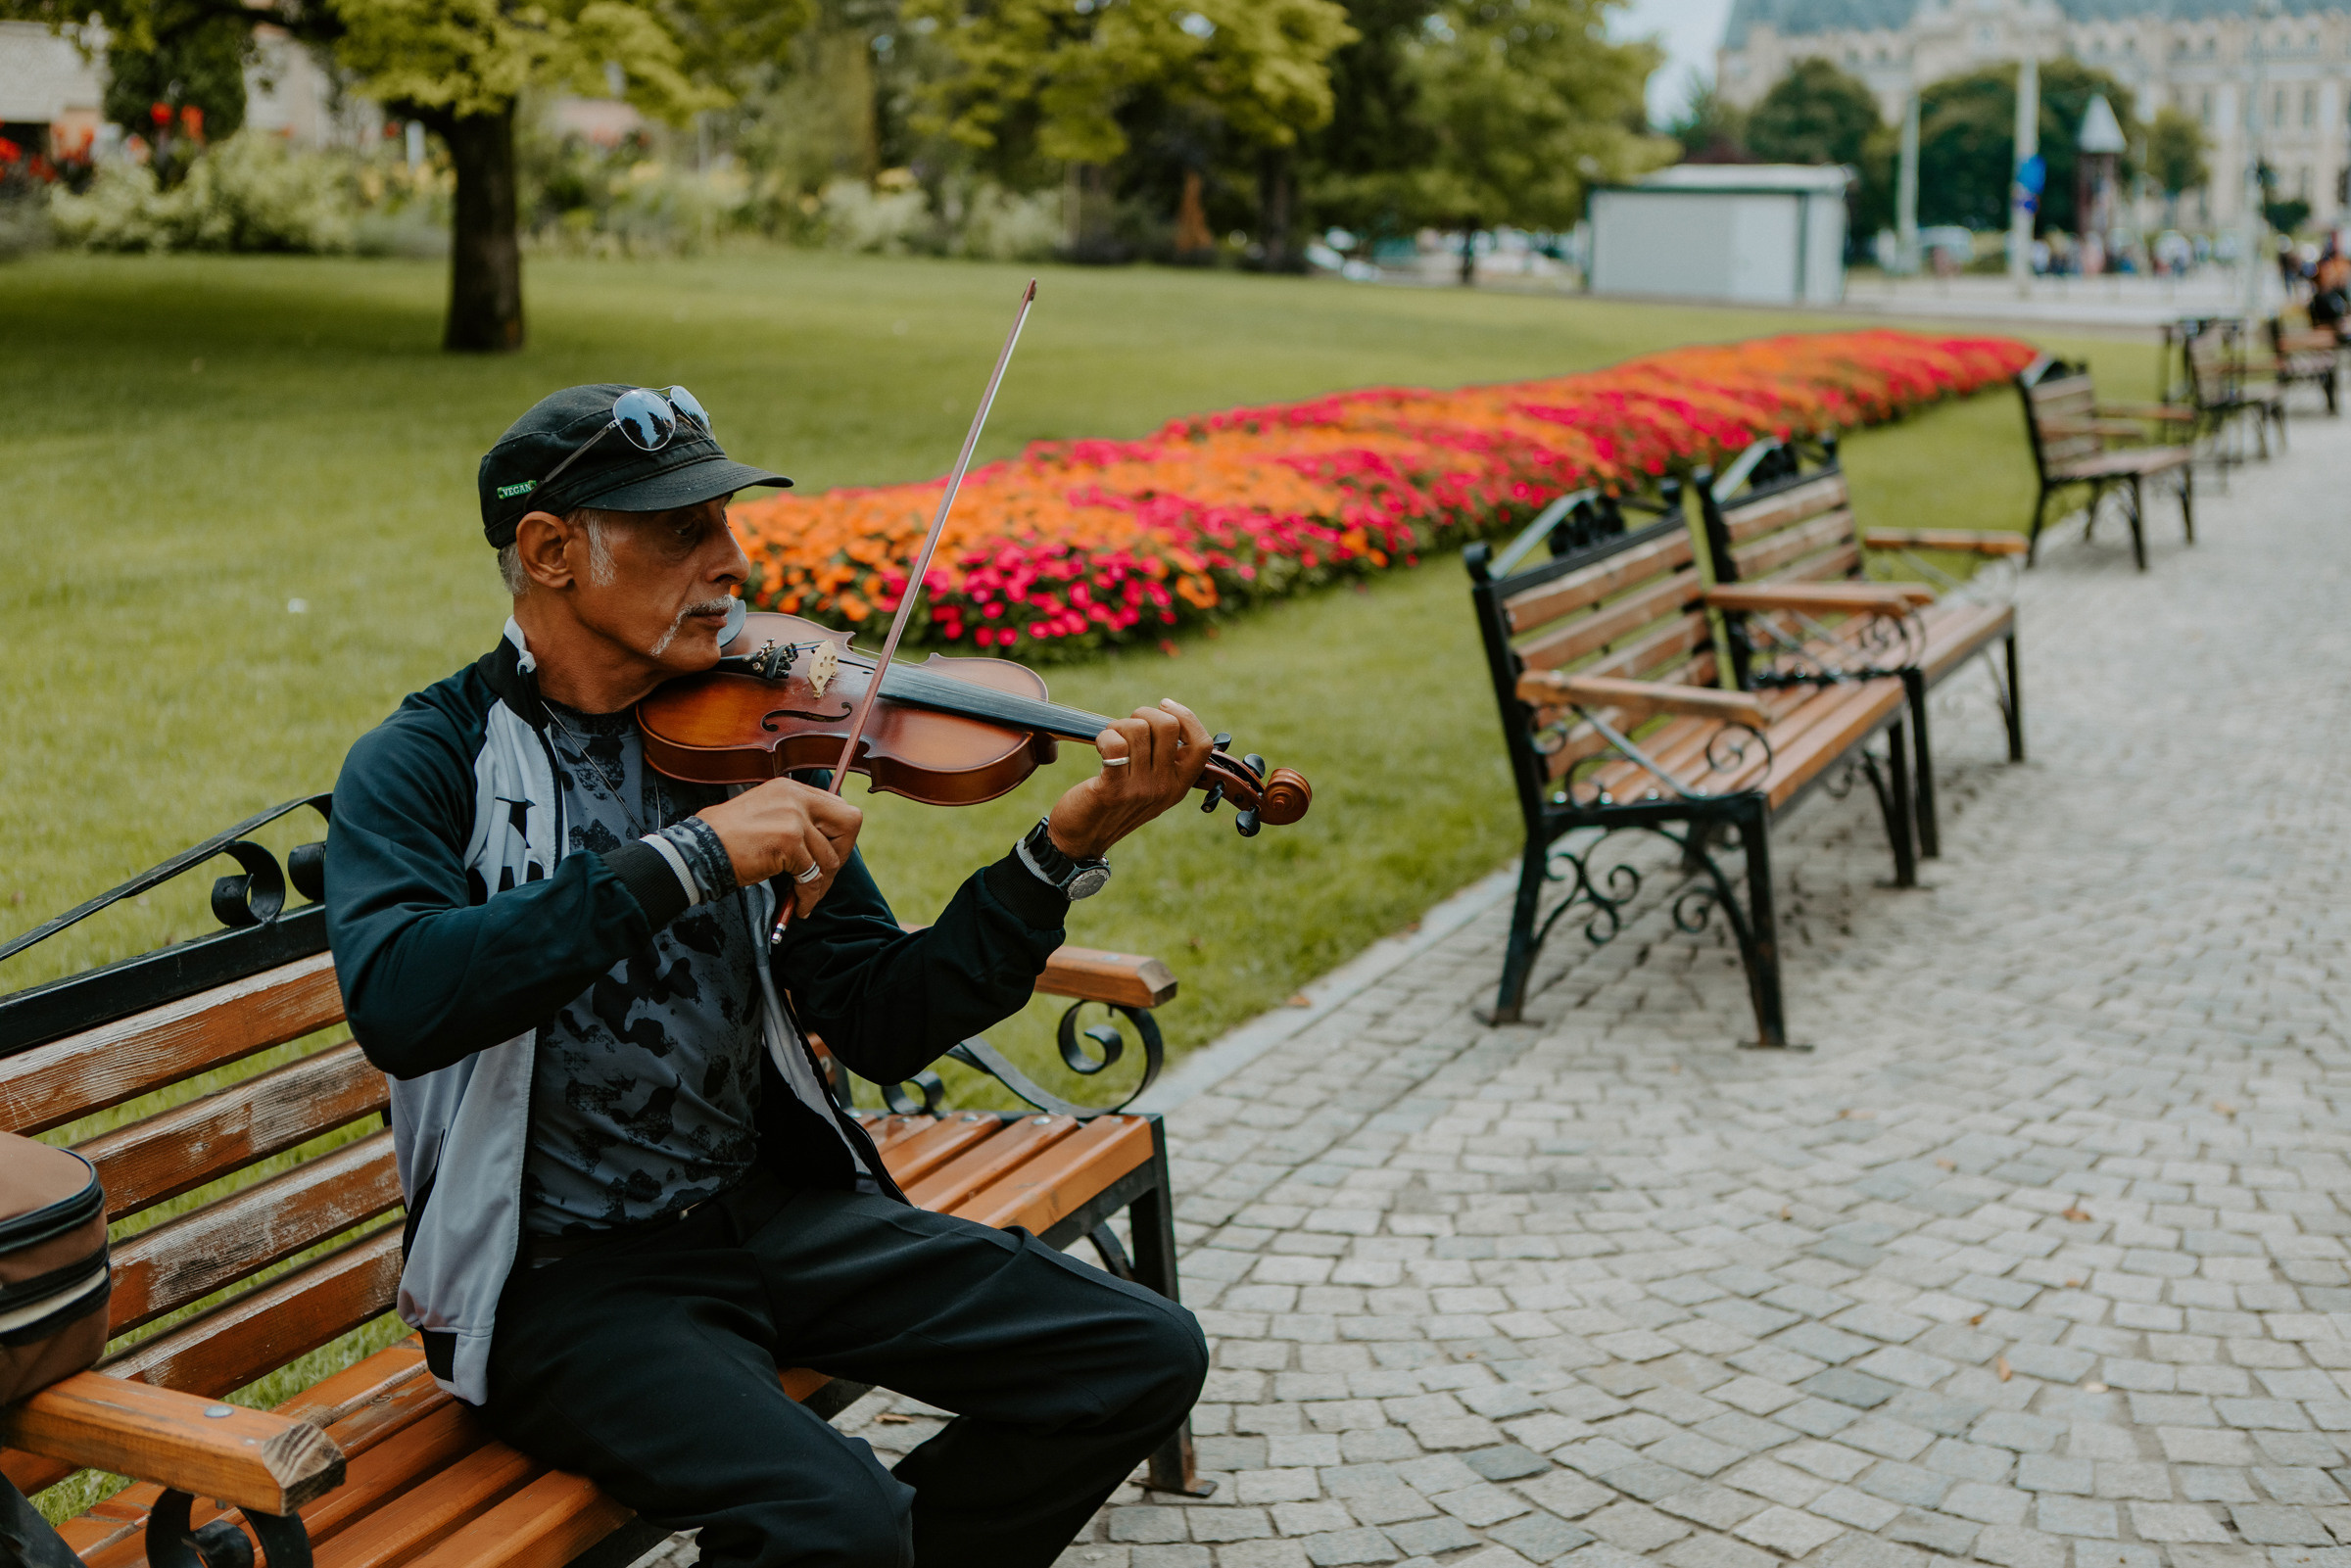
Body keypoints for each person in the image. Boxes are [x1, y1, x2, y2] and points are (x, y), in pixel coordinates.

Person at [323, 383, 1213, 1568]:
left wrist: (1058, 853)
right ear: (549, 551)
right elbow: (400, 994)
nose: (732, 561)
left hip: (767, 1210)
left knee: (1138, 1352)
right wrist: (692, 856)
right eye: (680, 530)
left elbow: (884, 1016)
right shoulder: (428, 759)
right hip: (567, 1279)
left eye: (727, 523)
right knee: (836, 1521)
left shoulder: (743, 731)